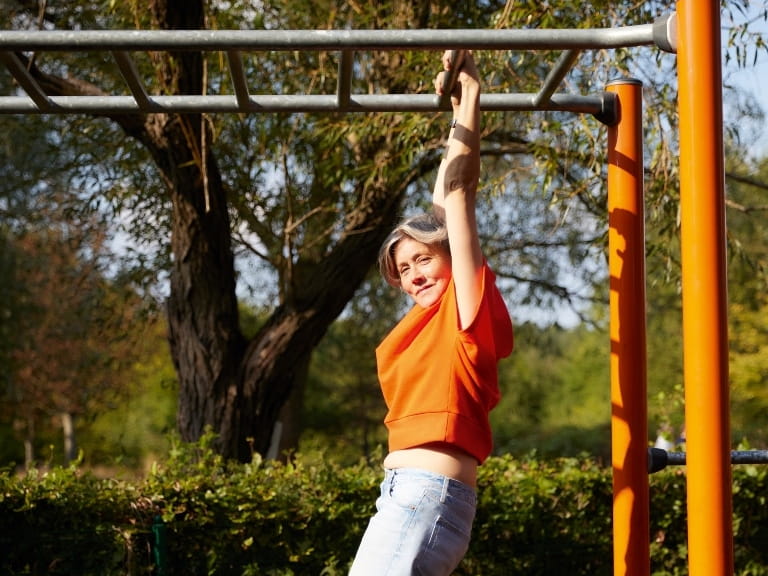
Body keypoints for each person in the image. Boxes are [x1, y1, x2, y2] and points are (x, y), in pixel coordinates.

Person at [349, 50, 514, 576]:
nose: (415, 272)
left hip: (428, 493)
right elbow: (443, 197)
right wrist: (458, 108)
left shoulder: (466, 311)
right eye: (404, 268)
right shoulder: (419, 326)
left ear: (453, 261)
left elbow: (457, 195)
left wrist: (474, 95)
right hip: (404, 493)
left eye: (425, 258)